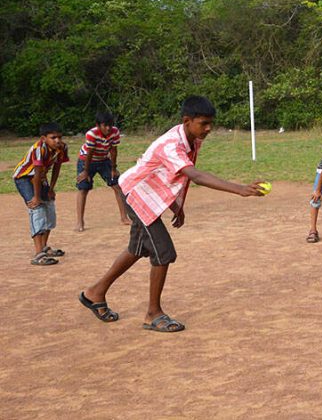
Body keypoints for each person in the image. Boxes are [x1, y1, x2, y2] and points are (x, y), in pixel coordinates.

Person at [78, 96, 265, 333]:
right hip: (137, 196)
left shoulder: (192, 139)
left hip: (147, 198)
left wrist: (178, 206)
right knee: (164, 252)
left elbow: (182, 175)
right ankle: (152, 314)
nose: (208, 129)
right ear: (187, 121)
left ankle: (94, 293)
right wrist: (239, 189)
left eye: (210, 124)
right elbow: (194, 175)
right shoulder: (171, 144)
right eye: (204, 123)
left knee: (138, 249)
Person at [13, 122, 69, 266]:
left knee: (49, 208)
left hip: (41, 178)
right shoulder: (38, 149)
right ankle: (39, 254)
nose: (57, 140)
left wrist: (51, 189)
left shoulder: (62, 148)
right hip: (24, 178)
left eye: (59, 137)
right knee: (37, 209)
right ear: (43, 138)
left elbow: (56, 168)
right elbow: (36, 174)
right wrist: (36, 197)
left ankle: (44, 247)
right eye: (53, 137)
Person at [75, 111, 131, 231]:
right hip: (86, 161)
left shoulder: (115, 132)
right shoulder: (91, 134)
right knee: (83, 188)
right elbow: (89, 153)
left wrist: (113, 168)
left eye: (110, 125)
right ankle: (80, 222)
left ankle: (124, 217)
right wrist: (85, 171)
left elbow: (113, 150)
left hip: (104, 159)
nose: (108, 128)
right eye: (105, 125)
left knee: (117, 185)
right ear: (98, 125)